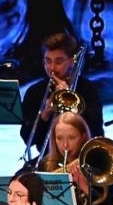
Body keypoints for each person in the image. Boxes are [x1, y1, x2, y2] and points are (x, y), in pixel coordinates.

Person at [36, 112, 113, 205]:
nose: (65, 145)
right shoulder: (46, 165)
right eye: (59, 138)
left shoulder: (98, 162)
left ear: (83, 136)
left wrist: (85, 187)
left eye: (71, 138)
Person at [20, 30, 105, 158]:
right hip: (48, 158)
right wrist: (45, 114)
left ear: (71, 61)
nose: (52, 68)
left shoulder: (87, 88)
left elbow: (97, 130)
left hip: (83, 157)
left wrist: (69, 101)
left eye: (58, 61)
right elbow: (27, 138)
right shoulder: (34, 92)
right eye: (48, 61)